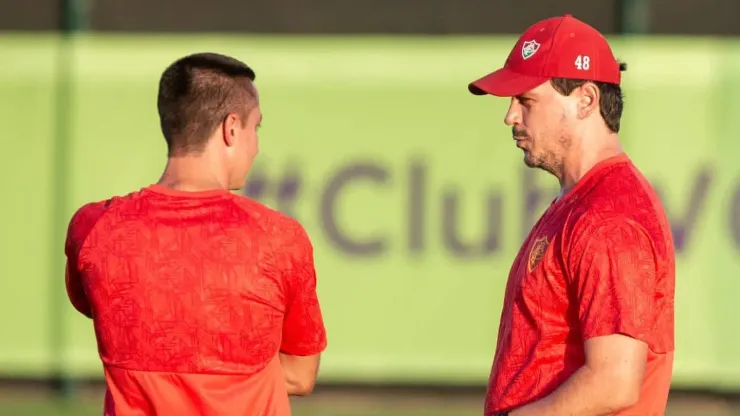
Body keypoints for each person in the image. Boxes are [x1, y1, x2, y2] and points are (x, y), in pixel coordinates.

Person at [64, 52, 327, 416]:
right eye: (256, 128)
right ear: (231, 129)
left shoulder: (93, 228)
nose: (257, 145)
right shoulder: (278, 238)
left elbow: (100, 309)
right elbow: (300, 376)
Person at [467, 14, 675, 416]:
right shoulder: (582, 200)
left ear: (585, 100)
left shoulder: (610, 216)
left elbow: (614, 381)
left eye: (525, 100)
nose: (510, 116)